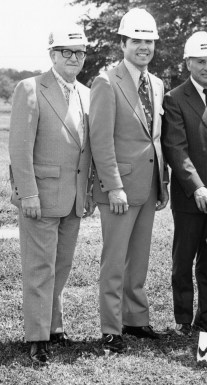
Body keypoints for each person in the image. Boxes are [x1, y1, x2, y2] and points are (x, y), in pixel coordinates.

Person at [8, 24, 93, 364]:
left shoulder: (87, 93)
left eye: (80, 52)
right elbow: (19, 147)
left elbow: (86, 150)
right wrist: (27, 193)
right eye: (66, 52)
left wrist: (86, 193)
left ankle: (54, 326)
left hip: (73, 199)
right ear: (53, 55)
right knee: (39, 268)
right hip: (39, 197)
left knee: (61, 266)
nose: (74, 58)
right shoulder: (29, 88)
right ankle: (38, 337)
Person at [89, 8, 169, 353]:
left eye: (149, 41)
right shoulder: (107, 81)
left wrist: (161, 182)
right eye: (136, 40)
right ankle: (111, 328)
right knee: (115, 260)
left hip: (149, 186)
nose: (144, 47)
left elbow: (155, 139)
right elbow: (101, 140)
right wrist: (114, 185)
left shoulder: (157, 83)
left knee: (139, 259)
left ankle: (136, 320)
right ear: (122, 43)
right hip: (119, 189)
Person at [162, 31, 207, 337]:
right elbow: (176, 149)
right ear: (188, 63)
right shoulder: (175, 98)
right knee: (184, 259)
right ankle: (182, 319)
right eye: (201, 61)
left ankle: (205, 317)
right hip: (190, 196)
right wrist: (197, 187)